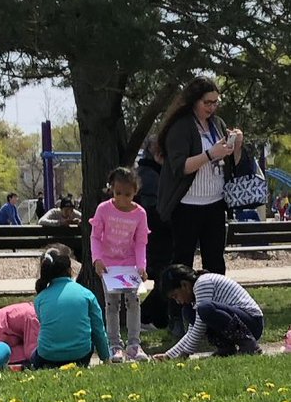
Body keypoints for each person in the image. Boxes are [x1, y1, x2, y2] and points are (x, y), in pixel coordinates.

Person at [157, 76, 242, 274]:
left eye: (216, 102)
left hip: (215, 204)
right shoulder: (181, 126)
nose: (212, 107)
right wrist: (210, 154)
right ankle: (177, 305)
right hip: (187, 206)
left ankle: (214, 304)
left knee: (215, 265)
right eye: (207, 102)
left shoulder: (217, 124)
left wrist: (236, 145)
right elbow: (180, 167)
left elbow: (230, 164)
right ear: (194, 100)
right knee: (182, 264)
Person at [90, 167, 150, 362]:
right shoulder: (103, 209)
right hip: (109, 266)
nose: (123, 199)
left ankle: (134, 343)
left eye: (128, 194)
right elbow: (95, 236)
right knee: (111, 303)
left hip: (130, 265)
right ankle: (114, 344)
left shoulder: (140, 214)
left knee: (133, 301)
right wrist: (97, 259)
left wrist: (141, 265)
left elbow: (141, 241)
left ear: (135, 192)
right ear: (111, 190)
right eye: (118, 193)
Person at [155, 265, 263, 359]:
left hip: (253, 323)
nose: (178, 301)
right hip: (241, 321)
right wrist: (169, 355)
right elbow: (192, 331)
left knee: (205, 309)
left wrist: (185, 353)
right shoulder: (194, 296)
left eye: (175, 296)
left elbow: (200, 325)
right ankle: (225, 348)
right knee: (189, 312)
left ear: (185, 285)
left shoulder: (202, 283)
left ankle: (248, 344)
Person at [32, 245, 110, 368]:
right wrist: (106, 358)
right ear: (70, 269)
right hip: (80, 356)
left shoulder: (40, 299)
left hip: (48, 357)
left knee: (33, 355)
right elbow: (98, 331)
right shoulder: (86, 294)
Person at [135, 138, 173, 329]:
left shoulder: (152, 172)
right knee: (165, 276)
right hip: (156, 235)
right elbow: (153, 208)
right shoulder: (149, 175)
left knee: (164, 276)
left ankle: (157, 317)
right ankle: (145, 315)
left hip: (158, 234)